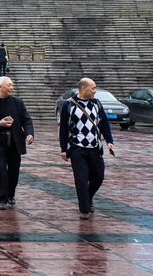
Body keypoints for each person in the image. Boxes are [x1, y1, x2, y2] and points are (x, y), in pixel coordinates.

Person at [58, 77, 115, 219]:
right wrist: (63, 148)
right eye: (93, 88)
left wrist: (109, 141)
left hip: (95, 147)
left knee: (99, 177)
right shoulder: (69, 105)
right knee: (81, 178)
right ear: (84, 89)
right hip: (77, 148)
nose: (95, 91)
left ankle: (88, 197)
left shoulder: (96, 104)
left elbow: (104, 124)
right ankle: (84, 209)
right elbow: (63, 128)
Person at [0, 76, 35, 210]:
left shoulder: (18, 103)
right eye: (9, 85)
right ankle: (1, 199)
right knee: (0, 169)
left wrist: (29, 133)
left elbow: (27, 120)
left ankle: (10, 194)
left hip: (15, 141)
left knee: (14, 171)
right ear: (0, 87)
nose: (11, 87)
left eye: (12, 85)